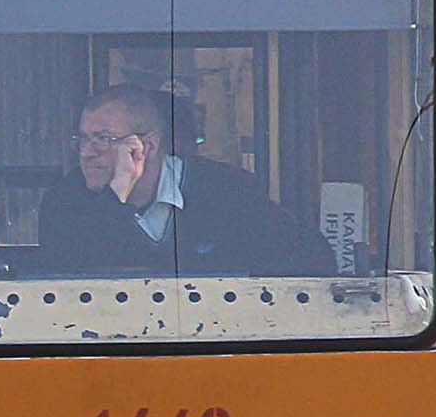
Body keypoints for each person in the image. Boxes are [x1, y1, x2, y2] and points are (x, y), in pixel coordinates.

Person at [38, 83, 332, 277]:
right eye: (83, 139)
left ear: (147, 147)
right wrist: (116, 196)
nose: (87, 153)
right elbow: (66, 272)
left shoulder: (226, 190)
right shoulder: (65, 198)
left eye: (103, 139)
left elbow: (308, 259)